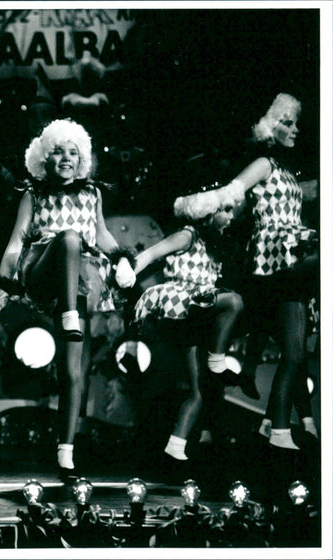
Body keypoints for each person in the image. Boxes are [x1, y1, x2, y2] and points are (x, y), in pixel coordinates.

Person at [0, 119, 136, 481]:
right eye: (58, 151)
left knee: (74, 372)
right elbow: (15, 241)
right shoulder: (34, 194)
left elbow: (101, 233)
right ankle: (70, 311)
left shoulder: (92, 194)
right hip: (44, 270)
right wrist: (2, 280)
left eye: (73, 152)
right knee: (70, 238)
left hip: (84, 278)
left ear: (83, 158)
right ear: (44, 157)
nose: (66, 158)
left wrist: (120, 257)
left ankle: (65, 452)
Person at [187, 93, 318, 454]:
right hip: (274, 251)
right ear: (270, 127)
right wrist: (197, 205)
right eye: (287, 123)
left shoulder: (288, 170)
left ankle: (277, 427)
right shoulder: (264, 163)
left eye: (296, 123)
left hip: (294, 252)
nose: (295, 130)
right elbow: (234, 190)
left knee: (294, 353)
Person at [132, 185, 244, 479]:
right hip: (180, 301)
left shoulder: (213, 244)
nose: (231, 217)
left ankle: (175, 447)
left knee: (198, 392)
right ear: (207, 212)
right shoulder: (188, 234)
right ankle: (217, 361)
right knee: (233, 301)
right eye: (226, 210)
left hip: (197, 311)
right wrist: (129, 270)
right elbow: (154, 253)